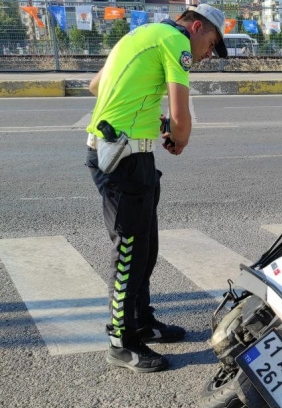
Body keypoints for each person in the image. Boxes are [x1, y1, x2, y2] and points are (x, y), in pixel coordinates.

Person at [85, 5, 228, 373]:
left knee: (145, 248)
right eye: (211, 44)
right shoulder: (175, 41)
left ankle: (142, 322)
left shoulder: (139, 35)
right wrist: (178, 138)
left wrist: (153, 120)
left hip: (130, 153)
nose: (208, 54)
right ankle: (120, 342)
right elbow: (182, 120)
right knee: (130, 253)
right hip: (124, 159)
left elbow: (96, 85)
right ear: (196, 27)